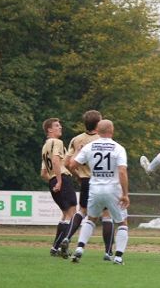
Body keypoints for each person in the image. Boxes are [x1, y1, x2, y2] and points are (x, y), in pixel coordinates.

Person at [68, 119, 130, 265]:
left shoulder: (89, 147)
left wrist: (78, 176)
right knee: (122, 222)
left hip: (94, 188)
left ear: (97, 131)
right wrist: (125, 194)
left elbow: (72, 165)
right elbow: (122, 171)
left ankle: (79, 248)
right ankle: (118, 257)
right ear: (112, 130)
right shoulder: (118, 148)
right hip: (113, 189)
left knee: (91, 219)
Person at [63, 110, 115, 261]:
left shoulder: (77, 139)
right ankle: (108, 251)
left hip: (86, 180)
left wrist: (78, 176)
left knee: (82, 211)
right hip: (103, 180)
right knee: (106, 216)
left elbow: (67, 163)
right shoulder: (104, 139)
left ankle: (67, 237)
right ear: (99, 124)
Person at [41, 118, 77, 258]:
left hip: (52, 179)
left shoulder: (45, 146)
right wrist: (60, 181)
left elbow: (43, 172)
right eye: (57, 125)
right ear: (49, 130)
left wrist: (53, 181)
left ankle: (55, 248)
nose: (60, 127)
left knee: (65, 214)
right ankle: (62, 246)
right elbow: (56, 161)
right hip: (61, 178)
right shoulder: (57, 142)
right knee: (72, 213)